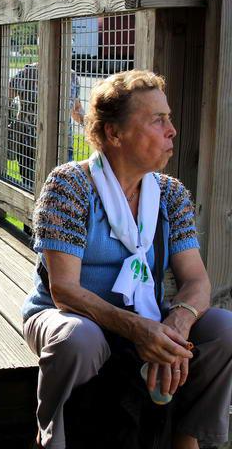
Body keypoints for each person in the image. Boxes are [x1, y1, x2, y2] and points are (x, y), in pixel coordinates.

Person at [21, 70, 232, 449]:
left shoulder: (169, 194)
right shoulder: (70, 185)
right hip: (70, 317)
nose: (172, 131)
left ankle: (187, 440)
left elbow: (197, 282)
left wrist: (177, 325)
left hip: (148, 317)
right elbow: (64, 291)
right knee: (78, 338)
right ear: (114, 133)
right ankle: (53, 439)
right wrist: (139, 330)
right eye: (158, 120)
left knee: (223, 328)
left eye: (169, 118)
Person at [7, 63, 84, 189]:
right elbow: (5, 98)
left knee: (63, 191)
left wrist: (90, 124)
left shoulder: (71, 76)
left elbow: (75, 108)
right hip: (30, 146)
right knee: (31, 190)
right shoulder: (27, 73)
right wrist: (10, 119)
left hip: (63, 145)